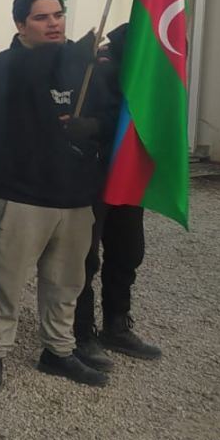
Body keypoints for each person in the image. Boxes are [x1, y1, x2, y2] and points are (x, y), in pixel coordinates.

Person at [0, 0, 115, 393]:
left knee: (67, 281)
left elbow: (108, 118)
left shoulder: (85, 67)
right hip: (20, 194)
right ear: (20, 24)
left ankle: (58, 350)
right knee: (5, 280)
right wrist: (70, 55)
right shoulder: (6, 64)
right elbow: (20, 84)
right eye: (41, 17)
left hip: (74, 195)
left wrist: (93, 129)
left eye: (58, 15)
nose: (53, 23)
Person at [73, 24, 163, 365]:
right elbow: (81, 116)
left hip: (129, 174)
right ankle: (81, 330)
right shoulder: (100, 68)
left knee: (127, 252)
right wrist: (95, 128)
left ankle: (116, 323)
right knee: (85, 256)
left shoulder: (152, 77)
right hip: (93, 173)